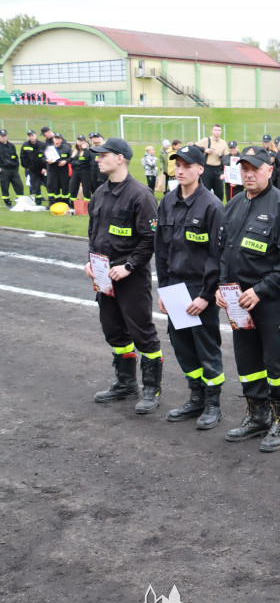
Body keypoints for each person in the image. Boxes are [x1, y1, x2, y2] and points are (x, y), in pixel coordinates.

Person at [216, 146, 280, 452]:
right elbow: (223, 252)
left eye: (254, 168)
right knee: (247, 361)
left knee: (276, 363)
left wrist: (261, 290)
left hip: (269, 302)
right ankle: (258, 416)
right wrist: (220, 286)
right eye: (244, 169)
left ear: (270, 169)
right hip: (238, 303)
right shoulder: (234, 204)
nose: (248, 174)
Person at [84, 138, 163, 414]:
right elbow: (94, 233)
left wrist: (129, 265)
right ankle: (126, 382)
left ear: (120, 158)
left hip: (131, 278)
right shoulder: (100, 193)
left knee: (142, 333)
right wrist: (91, 262)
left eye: (102, 155)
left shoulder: (141, 195)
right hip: (104, 277)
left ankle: (152, 388)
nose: (97, 159)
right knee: (114, 330)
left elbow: (151, 239)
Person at [154, 144, 225, 430]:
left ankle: (213, 404)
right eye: (177, 165)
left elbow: (217, 256)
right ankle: (195, 396)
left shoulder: (211, 205)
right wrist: (163, 289)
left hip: (198, 288)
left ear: (200, 169)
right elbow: (161, 249)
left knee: (206, 347)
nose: (180, 170)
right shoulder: (168, 201)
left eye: (187, 165)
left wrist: (207, 296)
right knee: (182, 346)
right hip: (174, 286)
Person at [196, 124, 228, 201]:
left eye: (219, 130)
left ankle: (218, 210)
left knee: (219, 192)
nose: (217, 132)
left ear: (221, 132)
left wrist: (220, 155)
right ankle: (204, 209)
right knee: (205, 191)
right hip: (207, 169)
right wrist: (204, 150)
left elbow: (227, 158)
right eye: (215, 130)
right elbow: (194, 146)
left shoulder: (223, 143)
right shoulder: (206, 140)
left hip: (218, 170)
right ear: (212, 131)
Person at [0, 128, 26, 207]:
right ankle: (7, 202)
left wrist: (16, 168)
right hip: (3, 170)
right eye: (2, 136)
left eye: (5, 135)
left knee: (19, 186)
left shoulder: (11, 146)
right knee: (5, 187)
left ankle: (20, 201)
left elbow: (16, 158)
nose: (4, 137)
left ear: (7, 135)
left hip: (13, 170)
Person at [21, 130, 47, 206]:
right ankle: (38, 202)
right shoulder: (25, 145)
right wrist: (27, 167)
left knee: (49, 185)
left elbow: (47, 156)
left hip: (43, 169)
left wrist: (45, 168)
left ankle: (52, 201)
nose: (31, 137)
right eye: (29, 136)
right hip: (32, 170)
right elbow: (22, 157)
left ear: (36, 135)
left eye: (32, 135)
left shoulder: (42, 144)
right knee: (36, 186)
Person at [45, 133, 72, 207]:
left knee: (65, 186)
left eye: (58, 138)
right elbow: (42, 158)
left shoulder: (66, 148)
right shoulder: (49, 148)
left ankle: (66, 203)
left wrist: (65, 161)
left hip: (63, 170)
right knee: (52, 186)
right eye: (55, 138)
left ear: (61, 140)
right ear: (53, 139)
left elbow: (71, 157)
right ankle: (53, 202)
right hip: (52, 170)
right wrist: (47, 160)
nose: (57, 140)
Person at [68, 135, 94, 205]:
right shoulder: (74, 151)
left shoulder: (87, 151)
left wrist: (85, 149)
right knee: (73, 187)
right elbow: (70, 160)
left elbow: (86, 159)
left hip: (85, 172)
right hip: (75, 171)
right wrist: (76, 162)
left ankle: (87, 205)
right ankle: (72, 204)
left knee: (86, 189)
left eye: (81, 140)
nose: (80, 142)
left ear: (84, 142)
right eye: (78, 140)